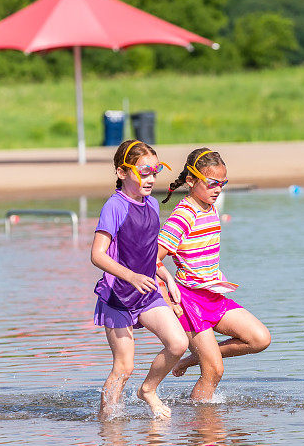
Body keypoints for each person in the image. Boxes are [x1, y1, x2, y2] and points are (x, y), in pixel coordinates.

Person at [157, 147, 271, 400]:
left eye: (223, 183)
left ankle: (191, 359)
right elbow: (152, 260)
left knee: (259, 338)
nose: (218, 189)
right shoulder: (183, 215)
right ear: (191, 180)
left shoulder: (210, 207)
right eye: (212, 183)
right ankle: (203, 432)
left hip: (213, 294)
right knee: (214, 371)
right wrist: (168, 299)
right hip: (188, 300)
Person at [91, 139, 188, 419]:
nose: (151, 178)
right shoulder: (115, 207)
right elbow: (97, 254)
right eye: (144, 171)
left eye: (156, 171)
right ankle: (107, 424)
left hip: (146, 292)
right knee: (124, 367)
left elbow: (146, 252)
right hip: (117, 295)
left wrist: (167, 277)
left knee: (178, 344)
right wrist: (131, 276)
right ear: (123, 173)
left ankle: (148, 390)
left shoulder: (153, 205)